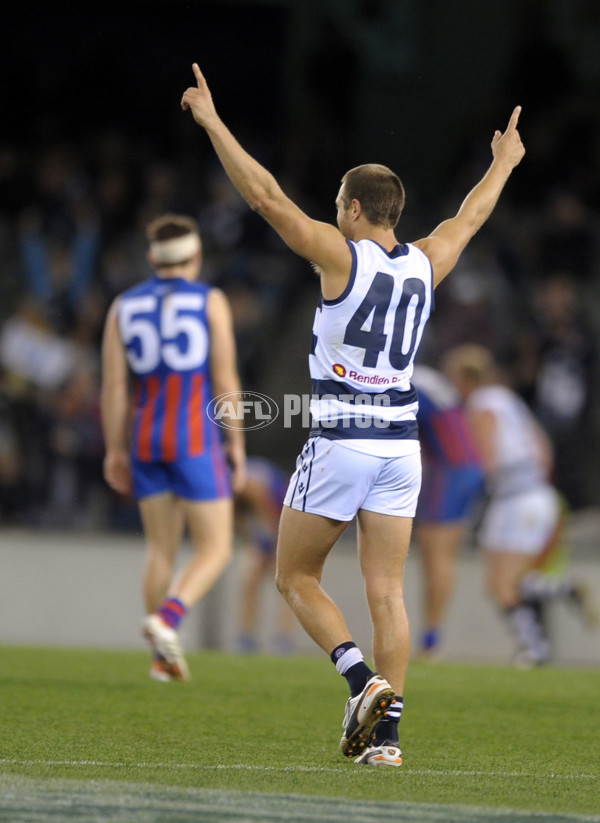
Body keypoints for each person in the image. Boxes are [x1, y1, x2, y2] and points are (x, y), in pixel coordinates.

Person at [181, 63, 524, 765]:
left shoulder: (342, 258)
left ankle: (360, 678)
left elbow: (266, 197)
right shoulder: (427, 260)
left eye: (340, 202)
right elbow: (473, 215)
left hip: (343, 437)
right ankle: (388, 740)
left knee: (295, 577)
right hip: (402, 444)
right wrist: (504, 163)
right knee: (388, 589)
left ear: (357, 210)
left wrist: (214, 123)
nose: (335, 211)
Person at [101, 213, 246, 682]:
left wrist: (114, 449)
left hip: (145, 437)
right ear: (196, 257)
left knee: (160, 549)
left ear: (151, 258)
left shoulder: (123, 305)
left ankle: (160, 658)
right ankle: (168, 619)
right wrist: (237, 441)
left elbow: (114, 387)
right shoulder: (210, 300)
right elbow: (224, 376)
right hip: (194, 438)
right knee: (216, 548)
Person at [443, 344, 594, 666]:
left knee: (503, 584)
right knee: (503, 582)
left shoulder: (482, 404)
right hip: (532, 494)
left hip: (516, 499)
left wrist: (466, 496)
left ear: (465, 378)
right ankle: (559, 593)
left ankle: (535, 648)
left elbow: (486, 458)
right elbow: (543, 447)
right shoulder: (508, 399)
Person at [411, 364, 485, 658]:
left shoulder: (405, 380)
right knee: (441, 553)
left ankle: (430, 636)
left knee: (435, 552)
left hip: (450, 470)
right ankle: (430, 634)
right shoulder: (428, 378)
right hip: (466, 466)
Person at [234, 456, 297, 654]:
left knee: (289, 584)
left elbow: (272, 519)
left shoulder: (251, 483)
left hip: (289, 522)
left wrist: (268, 548)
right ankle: (246, 638)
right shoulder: (230, 490)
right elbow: (240, 524)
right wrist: (256, 543)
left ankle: (283, 639)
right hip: (268, 531)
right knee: (249, 580)